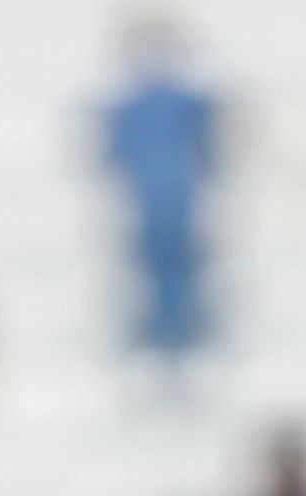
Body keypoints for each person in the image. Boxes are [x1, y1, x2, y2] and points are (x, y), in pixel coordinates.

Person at [98, 18, 221, 360]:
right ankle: (170, 332)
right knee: (165, 266)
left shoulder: (138, 103)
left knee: (169, 266)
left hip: (165, 196)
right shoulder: (178, 101)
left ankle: (173, 332)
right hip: (167, 195)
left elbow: (112, 156)